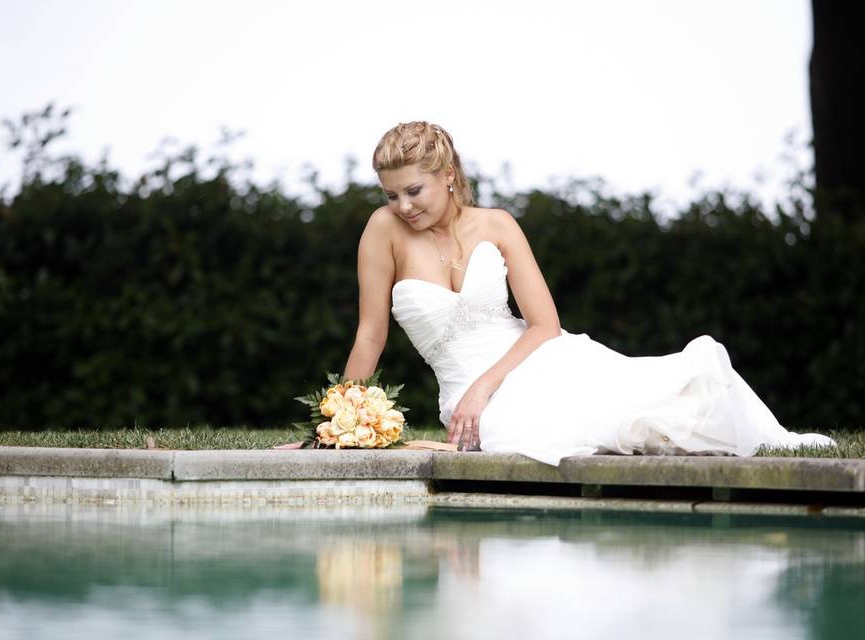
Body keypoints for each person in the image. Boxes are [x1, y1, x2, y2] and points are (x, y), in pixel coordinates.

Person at [342, 121, 834, 465]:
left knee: (645, 399)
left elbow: (544, 326)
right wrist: (339, 421)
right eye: (391, 194)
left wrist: (483, 386)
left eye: (414, 191)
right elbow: (370, 335)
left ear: (447, 176)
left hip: (535, 362)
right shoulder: (383, 231)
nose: (402, 205)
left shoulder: (497, 225)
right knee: (526, 430)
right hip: (471, 396)